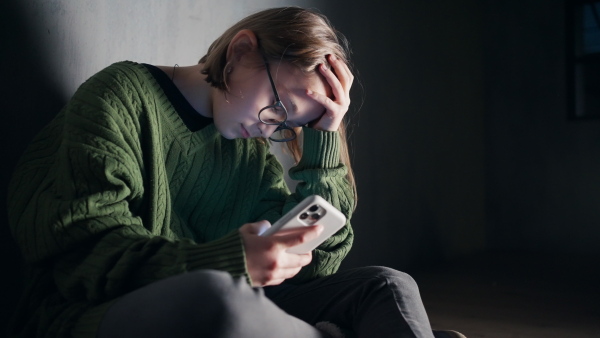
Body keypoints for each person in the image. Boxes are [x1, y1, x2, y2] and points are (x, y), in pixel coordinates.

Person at [6, 6, 465, 338]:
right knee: (220, 299)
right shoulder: (120, 97)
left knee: (386, 284)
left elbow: (318, 268)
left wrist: (326, 133)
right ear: (241, 51)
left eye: (290, 124)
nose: (272, 129)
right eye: (278, 106)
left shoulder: (246, 152)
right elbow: (84, 256)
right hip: (91, 313)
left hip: (242, 309)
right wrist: (230, 261)